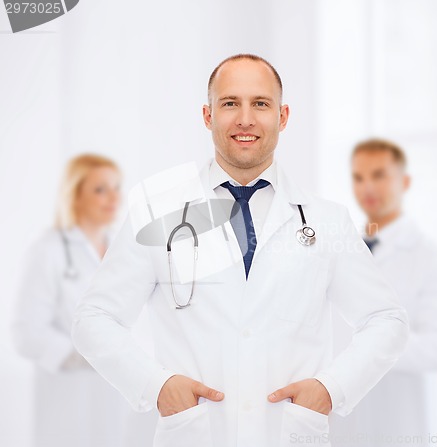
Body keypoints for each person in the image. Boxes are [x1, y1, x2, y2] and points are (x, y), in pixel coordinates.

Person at [71, 54, 410, 447]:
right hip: (195, 433)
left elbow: (387, 320)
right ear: (207, 115)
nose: (245, 119)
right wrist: (156, 385)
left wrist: (332, 389)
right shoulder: (158, 216)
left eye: (260, 104)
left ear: (283, 117)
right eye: (230, 103)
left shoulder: (325, 219)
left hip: (290, 434)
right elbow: (93, 319)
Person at [338, 138, 437, 446]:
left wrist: (371, 346)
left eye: (379, 175)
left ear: (404, 181)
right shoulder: (342, 249)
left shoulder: (432, 258)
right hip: (341, 418)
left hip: (397, 421)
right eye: (358, 177)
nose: (367, 187)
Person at [11, 154, 140, 447]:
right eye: (100, 189)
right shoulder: (48, 249)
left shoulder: (123, 249)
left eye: (117, 187)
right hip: (67, 393)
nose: (113, 197)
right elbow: (26, 333)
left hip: (115, 394)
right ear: (75, 195)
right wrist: (80, 356)